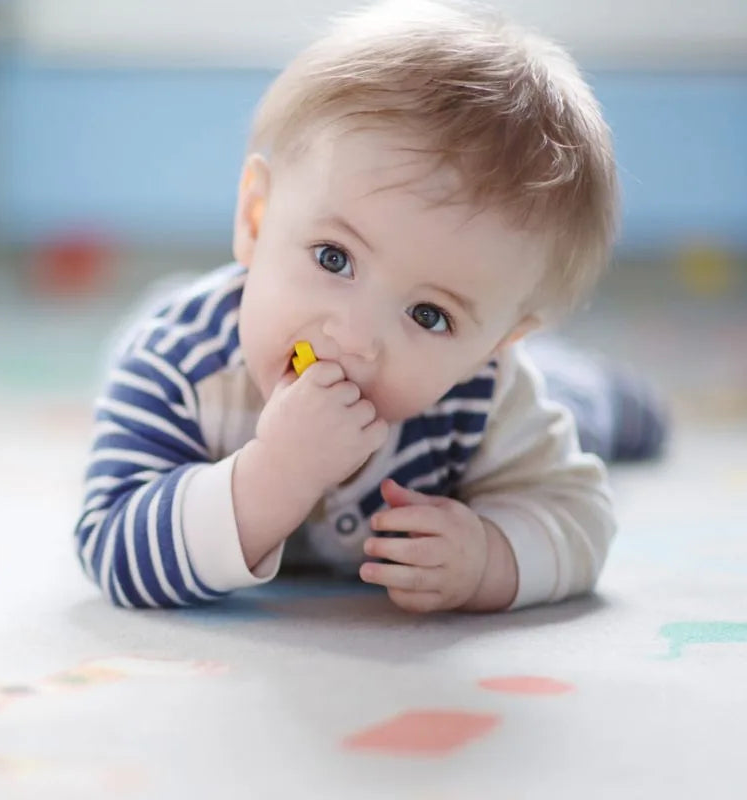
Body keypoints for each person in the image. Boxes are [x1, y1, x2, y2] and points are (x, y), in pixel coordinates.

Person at [74, 0, 668, 613]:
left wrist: (489, 556)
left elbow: (580, 515)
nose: (355, 340)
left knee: (577, 408)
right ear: (256, 217)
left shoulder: (485, 393)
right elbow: (111, 545)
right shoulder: (179, 368)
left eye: (429, 315)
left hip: (537, 384)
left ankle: (600, 387)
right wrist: (273, 475)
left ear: (492, 345)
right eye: (334, 258)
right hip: (185, 332)